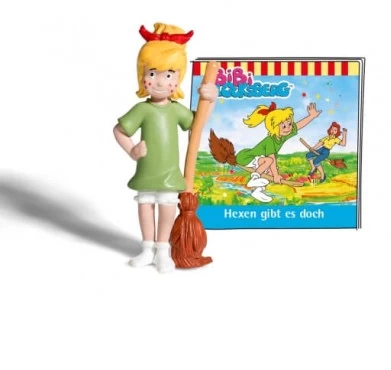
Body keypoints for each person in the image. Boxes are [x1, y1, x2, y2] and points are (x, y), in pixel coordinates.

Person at [113, 23, 217, 273]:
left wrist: (211, 98)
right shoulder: (142, 109)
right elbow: (119, 130)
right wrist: (132, 150)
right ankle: (147, 248)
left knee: (168, 207)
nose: (159, 81)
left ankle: (163, 250)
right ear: (142, 76)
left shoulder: (175, 110)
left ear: (178, 79)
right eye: (152, 73)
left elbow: (197, 124)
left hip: (170, 175)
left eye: (169, 74)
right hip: (147, 172)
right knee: (145, 205)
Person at [236, 102, 322, 202]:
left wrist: (311, 116)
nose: (288, 128)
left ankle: (257, 191)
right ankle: (254, 179)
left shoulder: (283, 135)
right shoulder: (270, 141)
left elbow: (299, 125)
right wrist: (276, 176)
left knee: (270, 170)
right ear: (274, 127)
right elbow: (271, 158)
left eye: (289, 124)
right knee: (270, 162)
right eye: (283, 126)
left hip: (257, 160)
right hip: (246, 157)